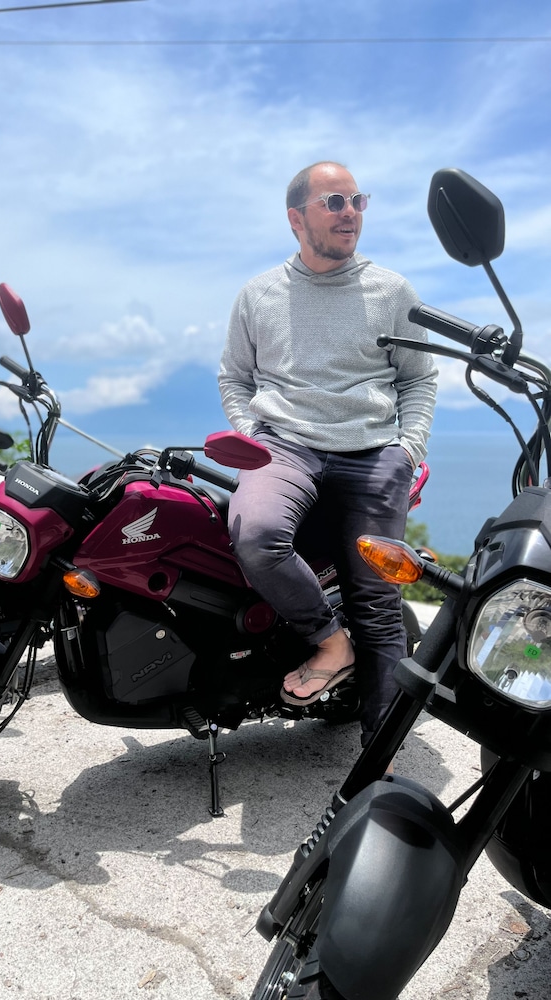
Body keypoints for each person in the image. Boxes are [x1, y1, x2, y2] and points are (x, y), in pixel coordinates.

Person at [218, 161, 438, 747]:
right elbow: (234, 377)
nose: (350, 213)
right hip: (284, 448)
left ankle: (378, 765)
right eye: (334, 202)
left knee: (379, 603)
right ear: (297, 219)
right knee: (255, 534)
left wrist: (408, 448)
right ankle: (330, 641)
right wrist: (253, 434)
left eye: (357, 201)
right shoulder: (258, 294)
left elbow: (419, 378)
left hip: (373, 454)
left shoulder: (392, 291)